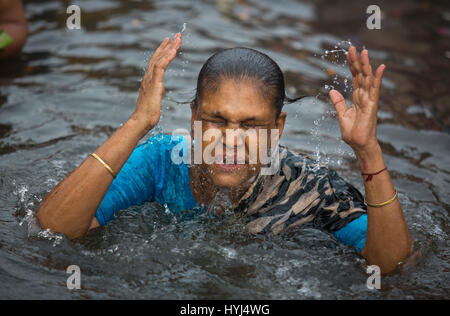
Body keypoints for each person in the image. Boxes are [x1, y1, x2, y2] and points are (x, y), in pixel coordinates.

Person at [36, 34, 413, 274]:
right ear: (194, 117)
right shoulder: (161, 162)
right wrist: (138, 122)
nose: (231, 140)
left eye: (250, 125)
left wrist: (368, 153)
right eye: (216, 120)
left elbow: (390, 267)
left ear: (277, 128)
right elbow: (54, 230)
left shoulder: (311, 189)